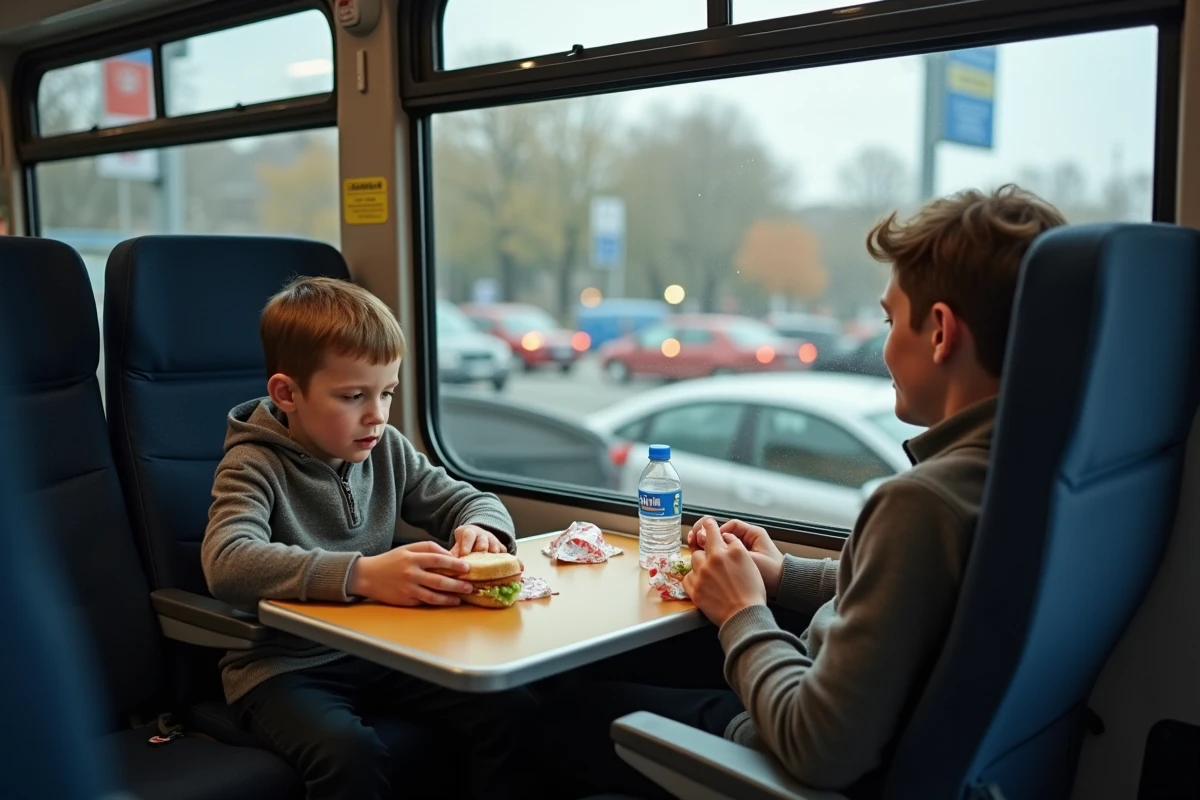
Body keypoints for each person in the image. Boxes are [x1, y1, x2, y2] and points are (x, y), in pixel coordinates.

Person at [552, 184, 1068, 798]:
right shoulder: (1043, 472)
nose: (884, 344)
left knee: (565, 710)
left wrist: (742, 611)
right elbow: (911, 597)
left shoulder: (923, 503)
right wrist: (781, 575)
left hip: (777, 758)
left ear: (939, 332)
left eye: (888, 319)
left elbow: (819, 746)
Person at [201, 277, 538, 800]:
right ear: (287, 394)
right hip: (283, 665)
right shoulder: (252, 465)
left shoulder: (386, 449)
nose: (377, 415)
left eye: (386, 393)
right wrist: (362, 574)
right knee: (349, 755)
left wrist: (482, 530)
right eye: (353, 396)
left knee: (512, 707)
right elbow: (227, 561)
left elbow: (468, 499)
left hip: (381, 649)